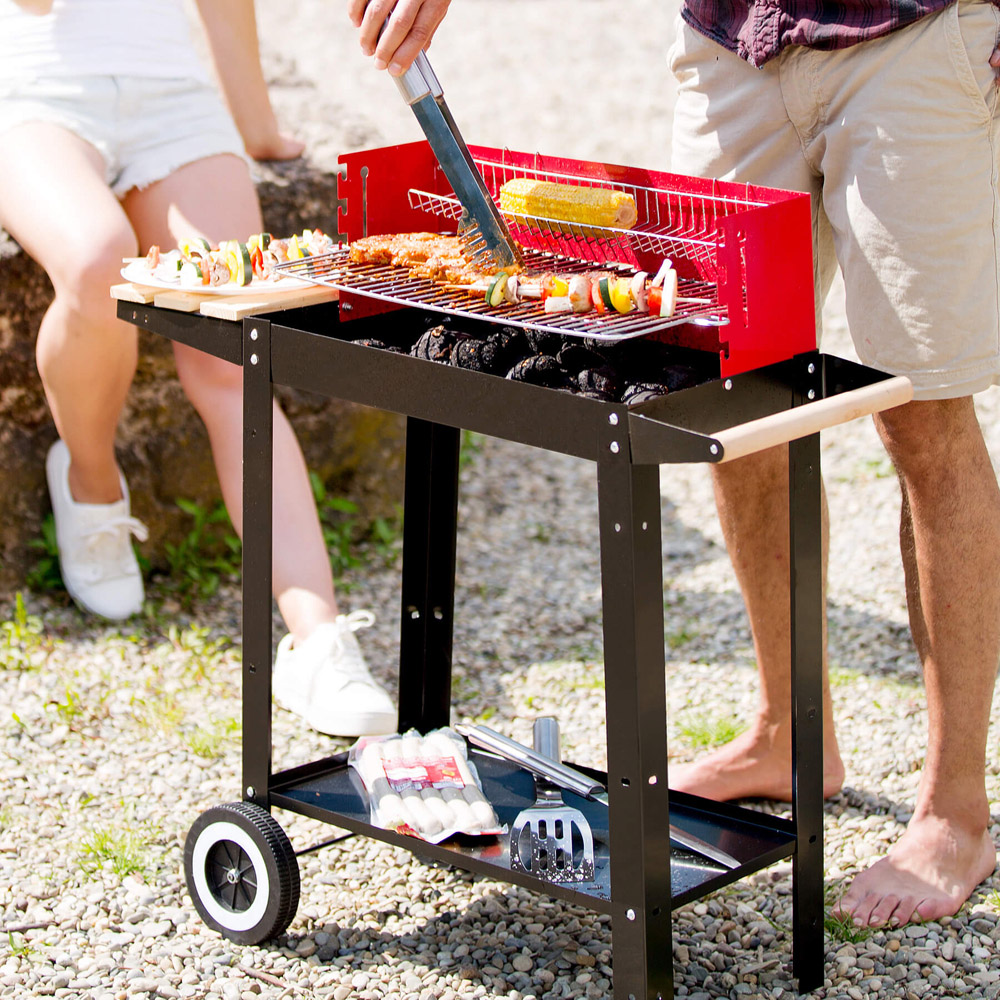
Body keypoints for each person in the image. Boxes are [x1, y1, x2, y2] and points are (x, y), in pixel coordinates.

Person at [348, 0, 1000, 927]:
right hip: (733, 37)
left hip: (914, 33)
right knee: (724, 382)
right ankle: (786, 734)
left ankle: (955, 811)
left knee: (924, 417)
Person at [0, 0, 396, 739]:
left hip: (172, 101)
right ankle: (91, 482)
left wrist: (257, 131)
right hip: (34, 95)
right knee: (93, 264)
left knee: (232, 335)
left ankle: (317, 639)